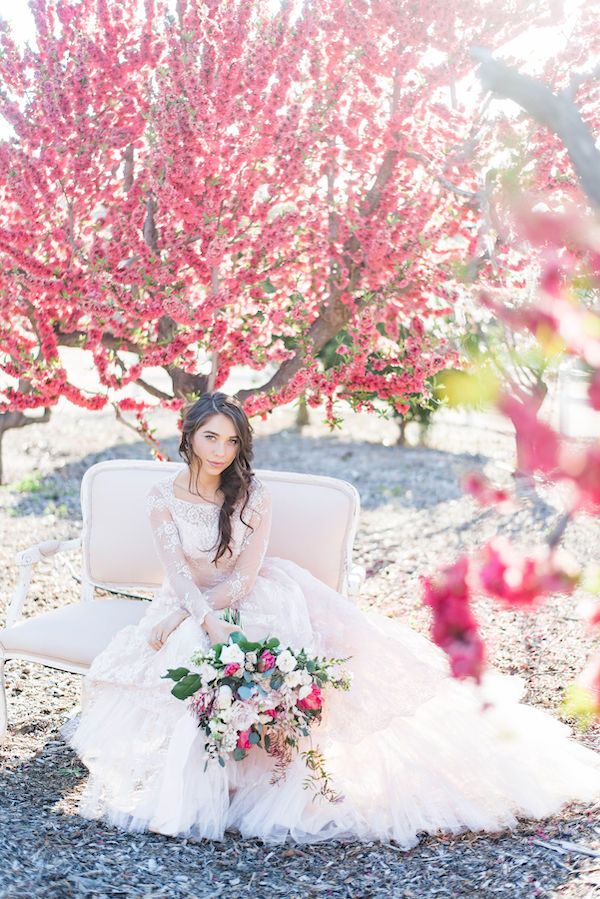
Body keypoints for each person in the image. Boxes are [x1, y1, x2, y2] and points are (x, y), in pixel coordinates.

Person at [66, 392, 600, 846]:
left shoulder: (252, 493)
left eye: (231, 441)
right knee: (181, 649)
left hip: (247, 595)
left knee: (243, 649)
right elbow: (177, 574)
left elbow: (245, 577)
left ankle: (243, 778)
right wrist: (198, 617)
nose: (221, 452)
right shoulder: (162, 494)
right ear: (188, 437)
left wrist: (213, 619)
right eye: (211, 438)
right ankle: (191, 786)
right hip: (186, 599)